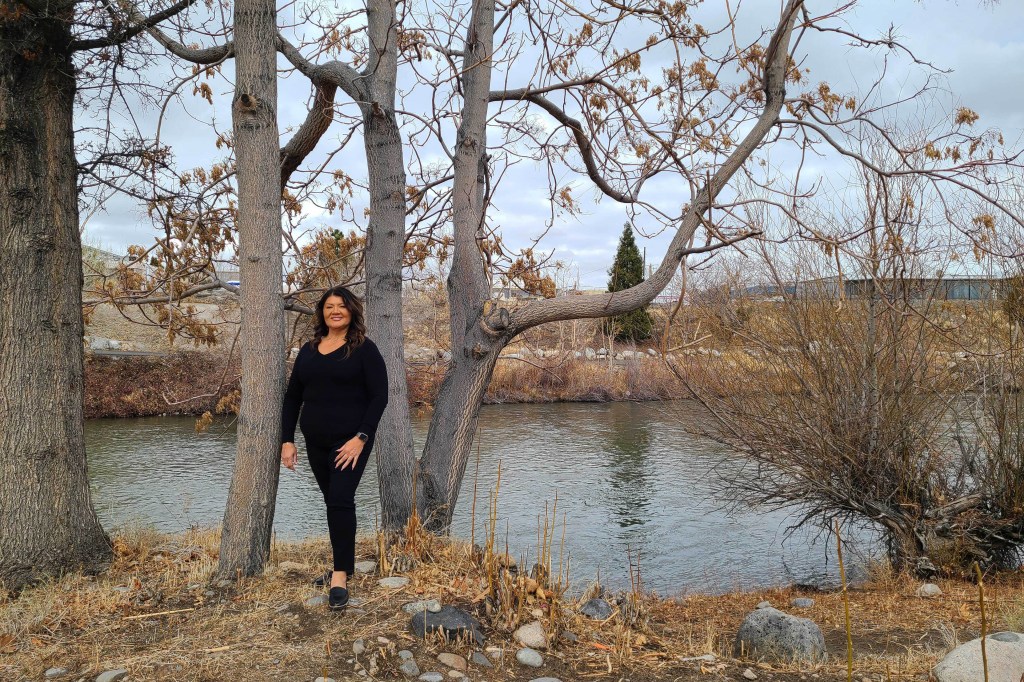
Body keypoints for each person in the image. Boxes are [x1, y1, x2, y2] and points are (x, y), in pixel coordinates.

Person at [280, 285, 388, 610]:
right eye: (329, 306)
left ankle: (340, 575)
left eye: (341, 306)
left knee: (341, 500)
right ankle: (346, 563)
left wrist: (361, 438)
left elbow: (379, 397)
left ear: (352, 311)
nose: (335, 311)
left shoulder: (364, 350)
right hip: (315, 441)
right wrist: (287, 440)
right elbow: (292, 398)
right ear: (322, 313)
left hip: (350, 442)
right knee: (333, 503)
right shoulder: (309, 350)